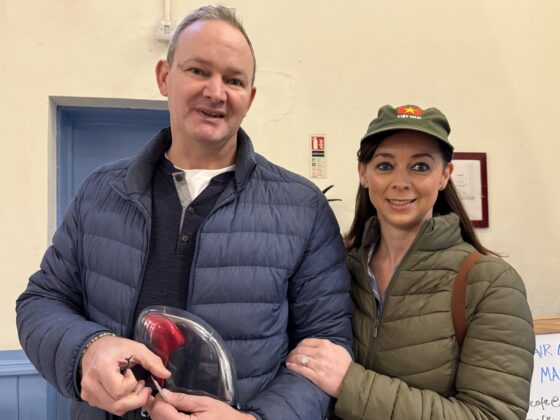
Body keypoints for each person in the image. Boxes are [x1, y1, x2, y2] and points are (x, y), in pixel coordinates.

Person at [16, 5, 352, 420]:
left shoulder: (302, 207)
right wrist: (86, 350)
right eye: (198, 70)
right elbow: (42, 301)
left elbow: (327, 345)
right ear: (164, 77)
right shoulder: (100, 192)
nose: (216, 92)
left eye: (234, 80)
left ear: (249, 98)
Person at [286, 104, 535, 419]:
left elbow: (493, 415)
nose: (400, 182)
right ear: (363, 173)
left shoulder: (490, 284)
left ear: (444, 175)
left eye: (420, 167)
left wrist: (351, 384)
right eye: (385, 165)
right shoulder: (338, 270)